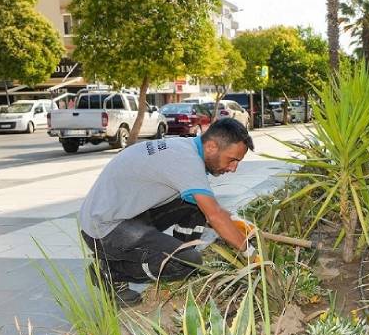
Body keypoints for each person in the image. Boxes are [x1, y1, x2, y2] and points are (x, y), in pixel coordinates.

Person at [79, 118, 256, 305]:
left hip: (124, 214)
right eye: (232, 160)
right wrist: (250, 253)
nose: (234, 168)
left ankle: (177, 252)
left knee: (195, 205)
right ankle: (110, 272)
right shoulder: (186, 161)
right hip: (105, 230)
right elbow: (214, 215)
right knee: (188, 262)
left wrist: (238, 224)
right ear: (212, 147)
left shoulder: (186, 148)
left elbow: (213, 209)